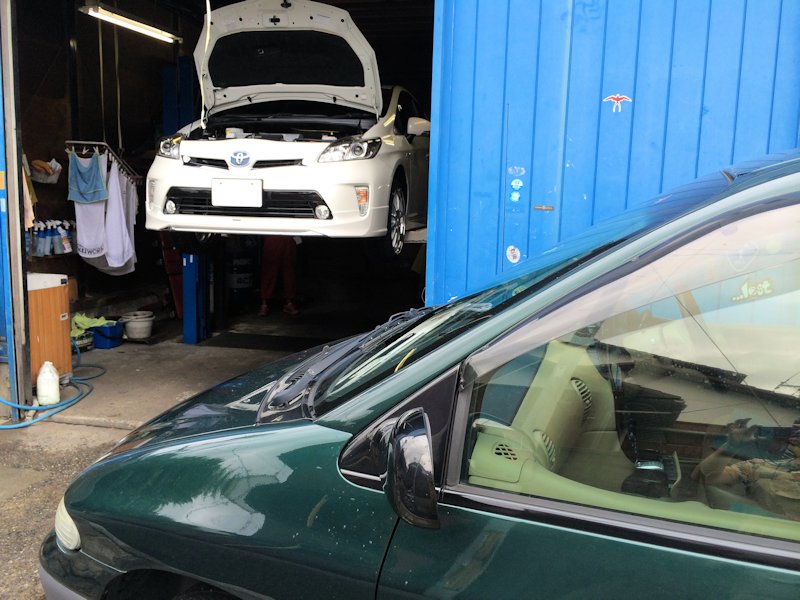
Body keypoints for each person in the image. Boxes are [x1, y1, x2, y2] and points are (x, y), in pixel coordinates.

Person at [259, 235, 299, 316]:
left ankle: (289, 302)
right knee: (269, 270)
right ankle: (264, 303)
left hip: (289, 235)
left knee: (289, 271)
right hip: (273, 234)